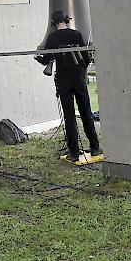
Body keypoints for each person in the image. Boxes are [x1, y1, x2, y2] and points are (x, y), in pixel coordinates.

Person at [36, 10, 101, 162]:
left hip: (64, 80)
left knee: (69, 116)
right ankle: (95, 147)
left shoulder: (52, 38)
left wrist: (38, 58)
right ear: (67, 20)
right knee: (86, 112)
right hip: (78, 78)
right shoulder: (77, 35)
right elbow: (85, 58)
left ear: (53, 23)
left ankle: (74, 151)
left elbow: (47, 59)